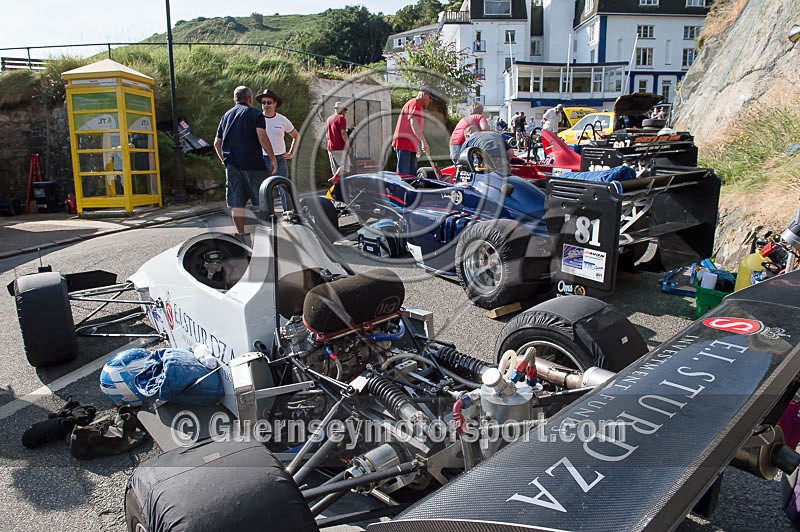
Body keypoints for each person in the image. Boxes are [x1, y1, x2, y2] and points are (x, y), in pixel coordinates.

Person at [214, 86, 276, 237]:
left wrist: (225, 161)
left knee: (236, 204)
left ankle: (242, 235)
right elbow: (262, 137)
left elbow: (217, 143)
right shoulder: (255, 114)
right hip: (254, 165)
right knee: (262, 202)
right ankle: (266, 236)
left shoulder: (226, 116)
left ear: (234, 99)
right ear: (250, 99)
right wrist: (272, 158)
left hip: (232, 165)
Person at [254, 89, 298, 179]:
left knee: (284, 188)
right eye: (263, 102)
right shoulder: (256, 119)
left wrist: (291, 154)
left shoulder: (282, 120)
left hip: (280, 159)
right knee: (262, 189)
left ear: (275, 104)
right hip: (262, 159)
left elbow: (296, 136)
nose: (266, 105)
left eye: (269, 102)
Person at [392, 86, 435, 175]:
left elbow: (414, 129)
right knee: (404, 175)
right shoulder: (414, 104)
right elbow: (413, 124)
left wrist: (417, 145)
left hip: (409, 143)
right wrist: (424, 142)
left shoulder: (417, 105)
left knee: (412, 175)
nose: (430, 101)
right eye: (430, 98)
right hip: (403, 142)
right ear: (424, 94)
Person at [325, 101, 349, 176]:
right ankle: (336, 179)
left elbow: (327, 133)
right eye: (345, 110)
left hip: (330, 147)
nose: (345, 113)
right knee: (346, 166)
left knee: (335, 169)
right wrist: (347, 145)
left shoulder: (329, 119)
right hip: (340, 147)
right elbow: (343, 133)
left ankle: (336, 184)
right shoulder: (341, 118)